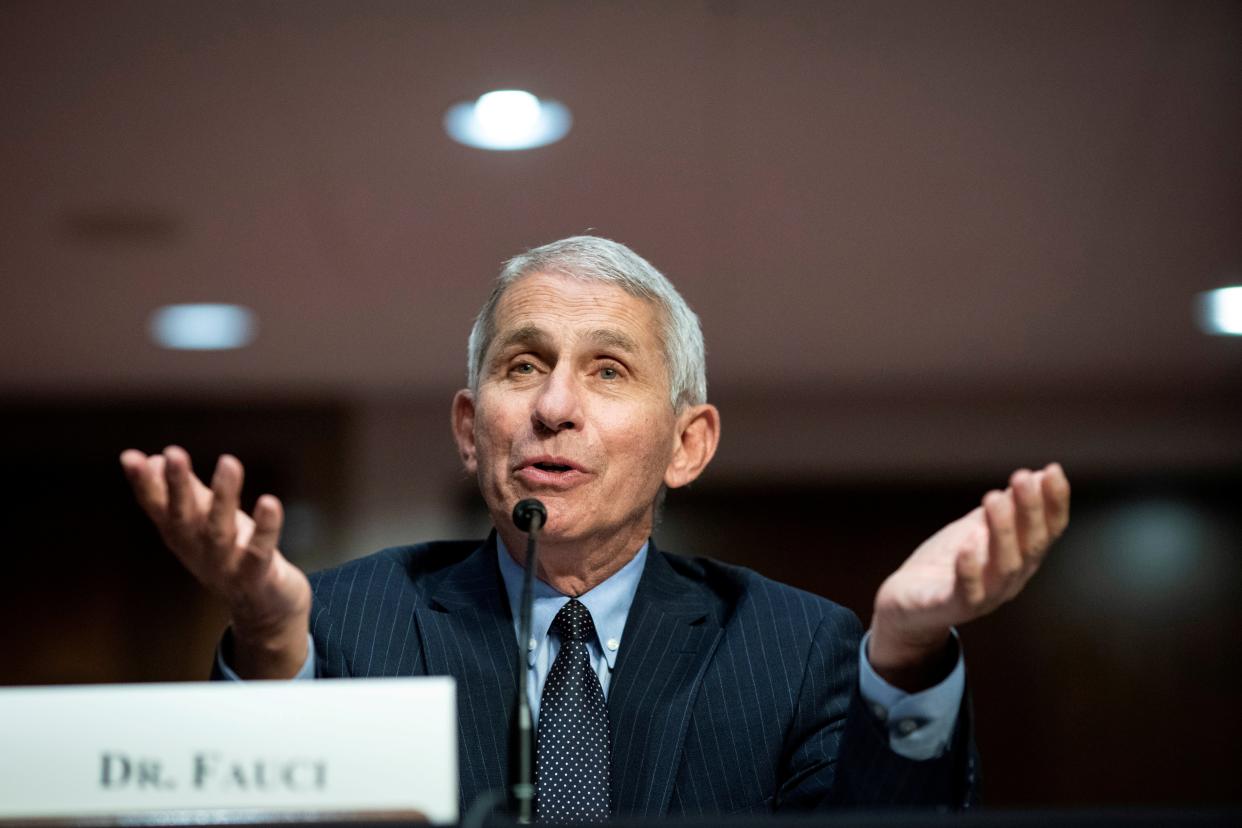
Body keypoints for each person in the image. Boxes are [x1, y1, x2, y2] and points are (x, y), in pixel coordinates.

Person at [120, 236, 1070, 818]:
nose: (556, 406)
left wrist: (902, 654)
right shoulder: (342, 623)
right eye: (524, 365)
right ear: (468, 426)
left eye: (609, 371)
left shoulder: (803, 650)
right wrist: (272, 638)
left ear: (688, 445)